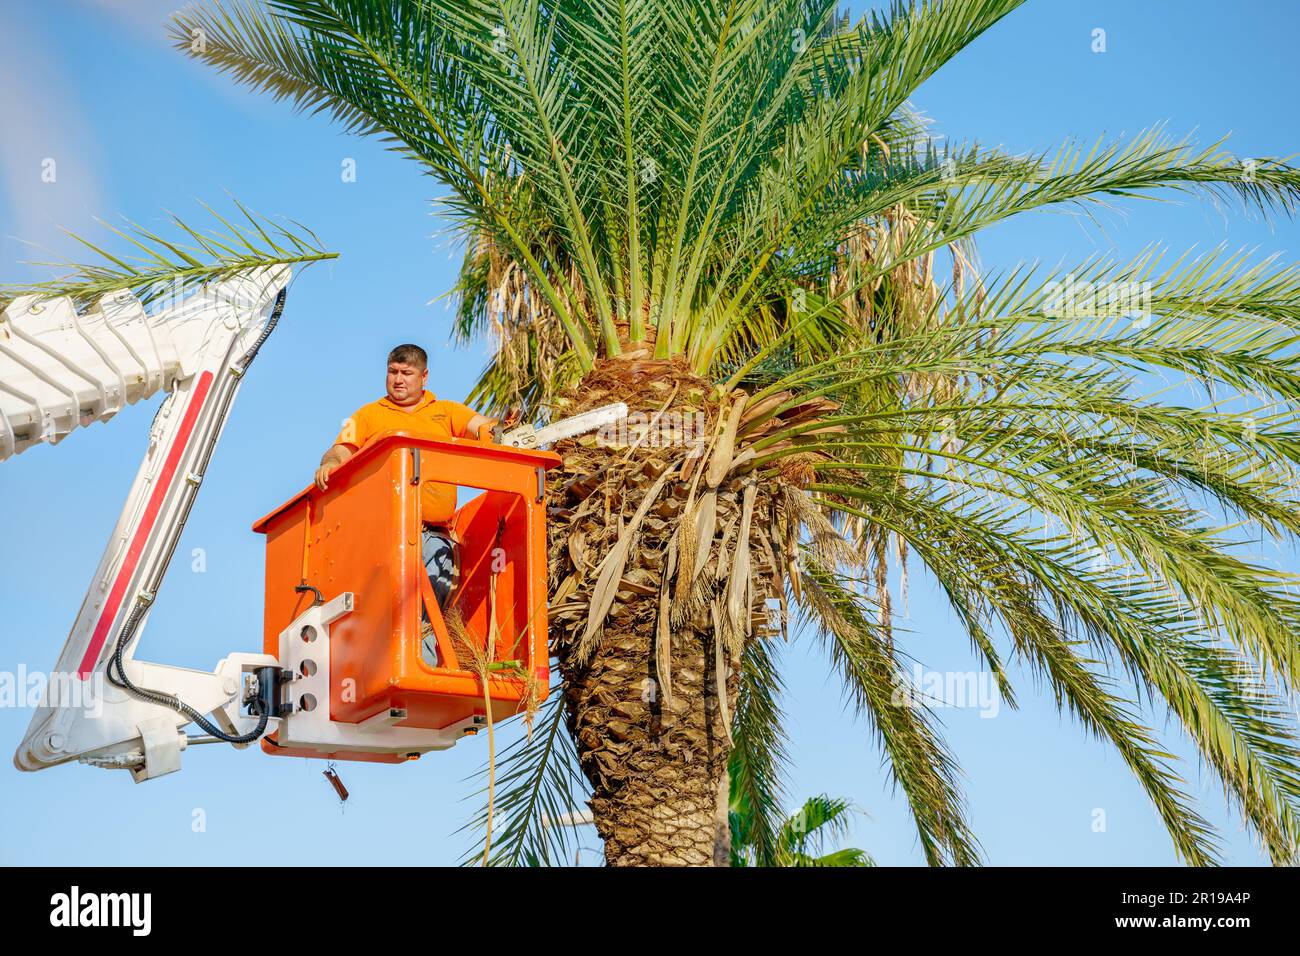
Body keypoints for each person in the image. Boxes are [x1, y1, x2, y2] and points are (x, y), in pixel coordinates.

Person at [314, 344, 496, 666]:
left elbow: (480, 427)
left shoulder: (446, 412)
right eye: (393, 372)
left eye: (406, 374)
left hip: (432, 537)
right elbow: (342, 448)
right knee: (388, 609)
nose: (398, 380)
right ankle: (383, 668)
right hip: (385, 537)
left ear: (423, 377)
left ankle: (421, 670)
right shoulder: (370, 414)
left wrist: (498, 429)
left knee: (426, 612)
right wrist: (330, 464)